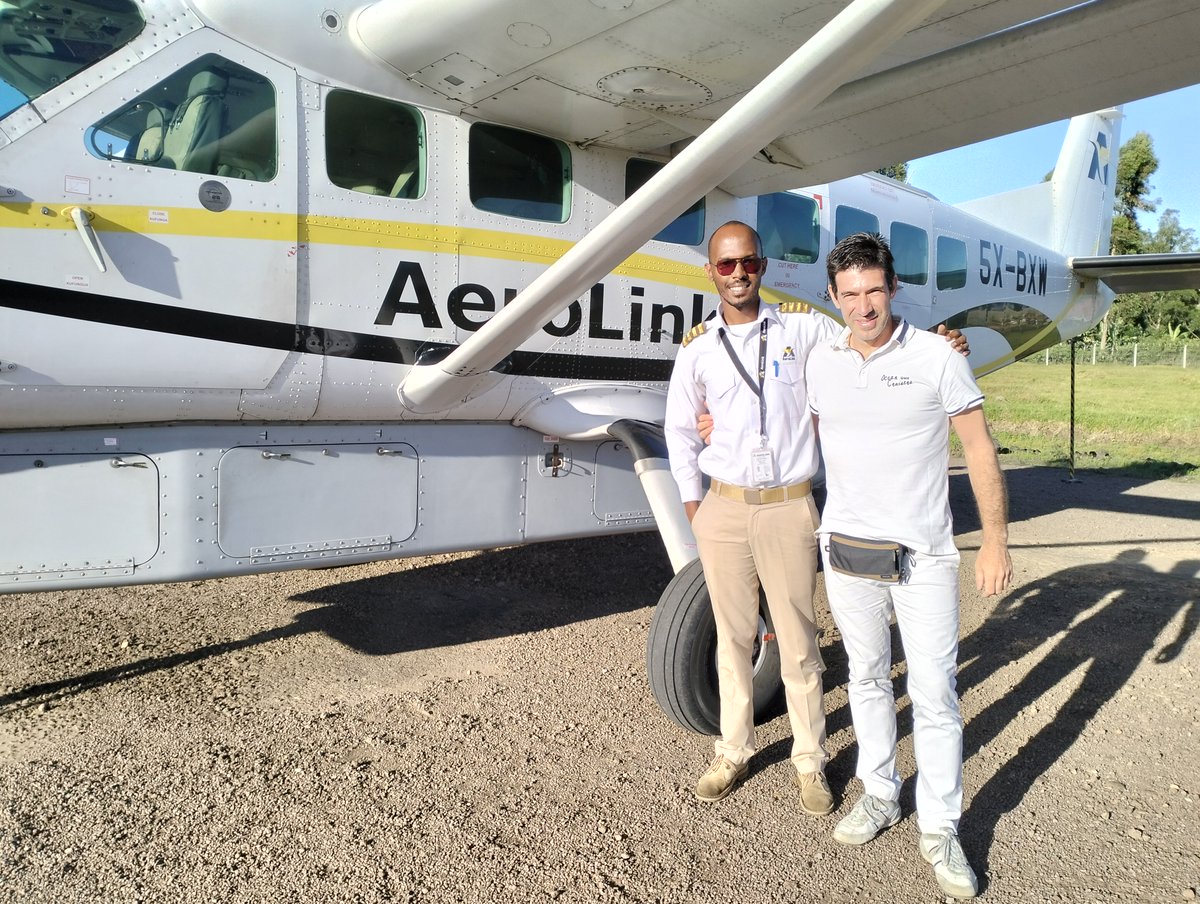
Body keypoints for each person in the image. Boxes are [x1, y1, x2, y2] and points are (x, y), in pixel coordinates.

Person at [807, 232, 1012, 899]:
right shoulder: (822, 359)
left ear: (892, 289)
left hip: (923, 557)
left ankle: (941, 825)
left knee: (934, 694)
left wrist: (996, 540)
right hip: (846, 555)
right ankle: (880, 793)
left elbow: (980, 449)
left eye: (874, 291)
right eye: (851, 295)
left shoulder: (935, 356)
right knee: (865, 679)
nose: (864, 306)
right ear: (833, 299)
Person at [664, 220, 839, 812]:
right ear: (711, 272)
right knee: (733, 639)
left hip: (788, 506)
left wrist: (938, 345)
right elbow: (680, 431)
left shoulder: (803, 329)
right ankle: (733, 750)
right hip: (726, 507)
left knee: (797, 639)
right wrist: (695, 507)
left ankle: (810, 759)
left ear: (763, 266)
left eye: (748, 263)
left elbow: (866, 341)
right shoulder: (696, 351)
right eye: (726, 265)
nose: (738, 274)